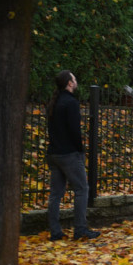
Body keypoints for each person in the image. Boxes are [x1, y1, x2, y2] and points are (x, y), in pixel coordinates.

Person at [45, 70, 100, 241]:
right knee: (82, 189)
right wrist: (80, 149)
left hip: (54, 153)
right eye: (74, 79)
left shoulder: (54, 103)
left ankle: (55, 231)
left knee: (56, 193)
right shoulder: (71, 103)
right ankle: (80, 229)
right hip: (69, 154)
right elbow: (75, 131)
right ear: (69, 83)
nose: (76, 82)